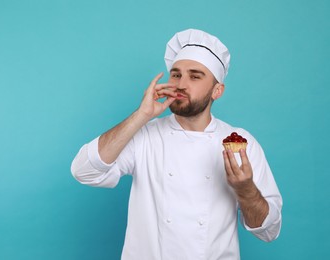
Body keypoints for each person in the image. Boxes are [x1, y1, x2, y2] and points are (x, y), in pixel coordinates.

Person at [71, 28, 282, 260]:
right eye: (176, 74)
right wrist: (142, 115)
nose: (181, 84)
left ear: (217, 90)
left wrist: (246, 189)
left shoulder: (240, 143)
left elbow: (268, 230)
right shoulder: (145, 136)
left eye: (195, 76)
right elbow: (84, 171)